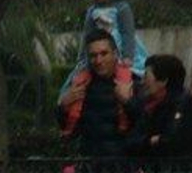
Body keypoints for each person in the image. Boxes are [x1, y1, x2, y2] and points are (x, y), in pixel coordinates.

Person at [59, 0, 147, 99]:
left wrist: (128, 56)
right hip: (98, 46)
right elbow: (88, 36)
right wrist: (82, 57)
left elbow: (128, 34)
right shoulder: (92, 11)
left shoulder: (122, 8)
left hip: (119, 50)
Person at [58, 31, 143, 159]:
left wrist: (128, 103)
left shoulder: (133, 83)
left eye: (104, 54)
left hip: (123, 164)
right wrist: (63, 107)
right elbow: (69, 128)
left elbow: (145, 123)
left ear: (115, 54)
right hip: (89, 163)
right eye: (93, 55)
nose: (98, 60)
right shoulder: (80, 85)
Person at [128, 54, 192, 157]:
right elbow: (133, 140)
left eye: (147, 76)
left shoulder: (184, 104)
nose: (143, 81)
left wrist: (153, 141)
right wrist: (150, 140)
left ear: (163, 80)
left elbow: (173, 140)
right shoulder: (148, 105)